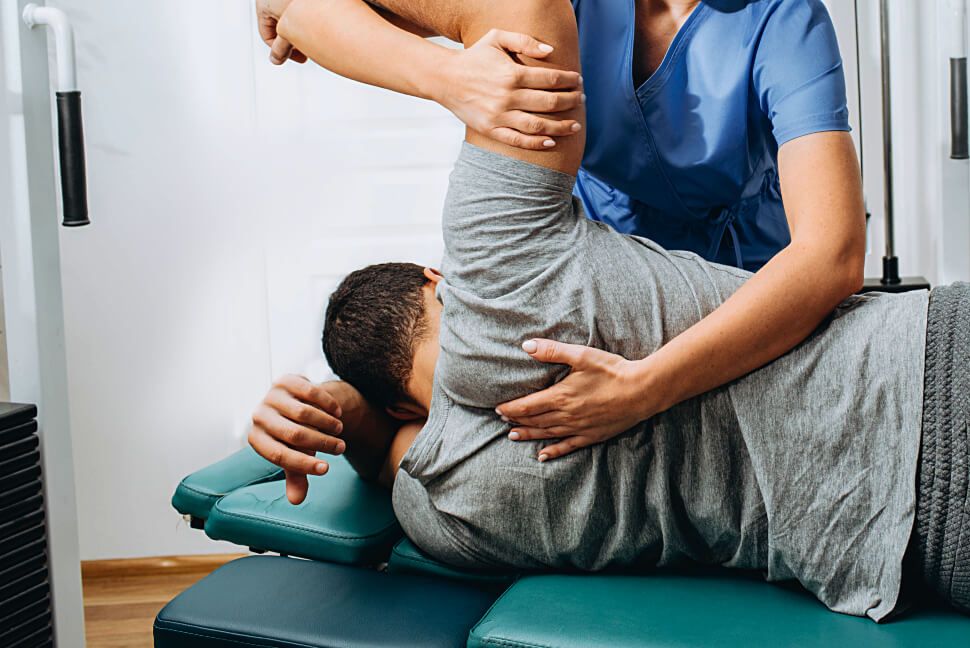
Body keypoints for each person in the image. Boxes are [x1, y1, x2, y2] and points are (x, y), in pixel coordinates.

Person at [248, 0, 970, 629]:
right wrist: (448, 74)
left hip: (966, 557)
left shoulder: (449, 503)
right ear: (437, 276)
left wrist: (348, 415)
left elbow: (391, 454)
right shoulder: (502, 261)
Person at [254, 0, 867, 463]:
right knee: (486, 423)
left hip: (741, 302)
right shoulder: (558, 5)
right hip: (596, 281)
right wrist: (447, 77)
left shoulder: (785, 22)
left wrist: (645, 389)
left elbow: (832, 254)